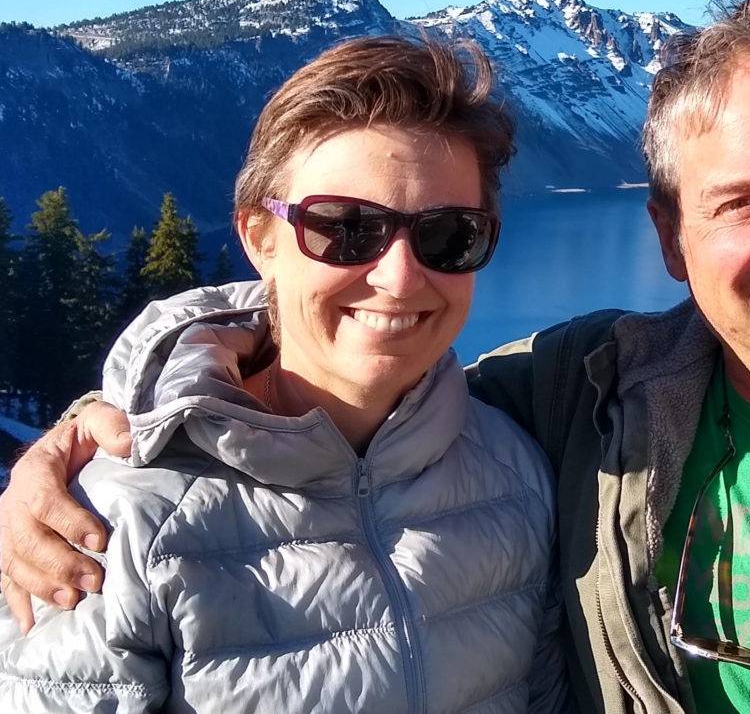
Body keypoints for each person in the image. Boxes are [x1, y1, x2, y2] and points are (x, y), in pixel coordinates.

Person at [4, 0, 750, 713]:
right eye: (737, 201)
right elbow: (290, 366)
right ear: (670, 239)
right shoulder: (586, 405)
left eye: (451, 237)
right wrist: (81, 438)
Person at [0, 36, 570, 712]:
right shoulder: (116, 518)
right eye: (347, 228)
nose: (400, 276)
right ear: (260, 239)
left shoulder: (515, 474)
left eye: (450, 234)